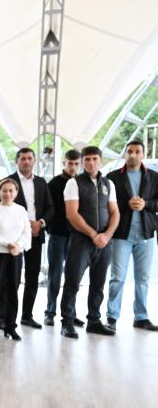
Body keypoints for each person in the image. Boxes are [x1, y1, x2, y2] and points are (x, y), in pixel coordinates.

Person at [60, 146, 120, 338]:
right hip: (81, 241)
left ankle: (94, 320)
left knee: (98, 284)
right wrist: (94, 235)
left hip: (104, 242)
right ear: (82, 162)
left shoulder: (109, 184)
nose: (91, 163)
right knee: (72, 282)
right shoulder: (73, 183)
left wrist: (106, 236)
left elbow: (115, 212)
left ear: (101, 161)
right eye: (87, 159)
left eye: (94, 159)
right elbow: (71, 214)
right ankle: (67, 322)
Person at [106, 141, 158, 330]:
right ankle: (112, 318)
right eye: (129, 151)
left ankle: (141, 317)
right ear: (125, 154)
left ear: (143, 154)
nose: (133, 155)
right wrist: (125, 204)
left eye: (137, 151)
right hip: (121, 234)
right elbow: (105, 204)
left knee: (143, 279)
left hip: (146, 235)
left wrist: (146, 204)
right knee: (117, 278)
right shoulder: (112, 177)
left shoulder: (153, 177)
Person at [7, 147, 54, 328]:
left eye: (29, 158)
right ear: (17, 161)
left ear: (34, 161)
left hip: (35, 234)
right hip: (15, 238)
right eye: (23, 158)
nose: (26, 161)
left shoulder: (41, 182)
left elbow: (50, 208)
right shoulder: (8, 182)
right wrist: (27, 225)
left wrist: (40, 223)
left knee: (32, 277)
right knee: (12, 279)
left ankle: (27, 316)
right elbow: (5, 209)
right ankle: (8, 318)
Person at [0, 178, 32, 340]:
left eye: (11, 190)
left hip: (15, 255)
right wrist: (7, 243)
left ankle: (10, 326)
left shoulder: (21, 210)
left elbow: (27, 231)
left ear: (16, 192)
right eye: (4, 190)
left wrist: (18, 245)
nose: (7, 193)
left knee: (13, 290)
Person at [44, 149, 83, 327]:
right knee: (55, 275)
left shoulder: (83, 182)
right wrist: (50, 228)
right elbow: (48, 208)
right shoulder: (54, 183)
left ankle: (70, 313)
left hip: (77, 235)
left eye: (76, 164)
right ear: (63, 163)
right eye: (70, 163)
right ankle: (50, 312)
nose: (73, 167)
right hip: (58, 234)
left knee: (73, 277)